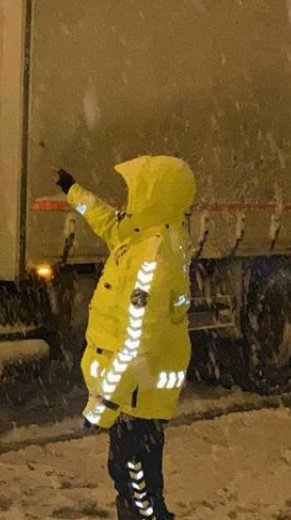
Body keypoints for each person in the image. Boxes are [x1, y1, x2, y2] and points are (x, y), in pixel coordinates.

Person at [55, 156, 195, 520]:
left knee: (137, 487)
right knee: (133, 478)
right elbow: (105, 219)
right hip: (134, 396)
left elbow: (138, 346)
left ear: (153, 198)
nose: (128, 200)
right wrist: (73, 191)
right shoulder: (146, 235)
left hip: (137, 397)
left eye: (136, 192)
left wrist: (102, 406)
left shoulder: (152, 261)